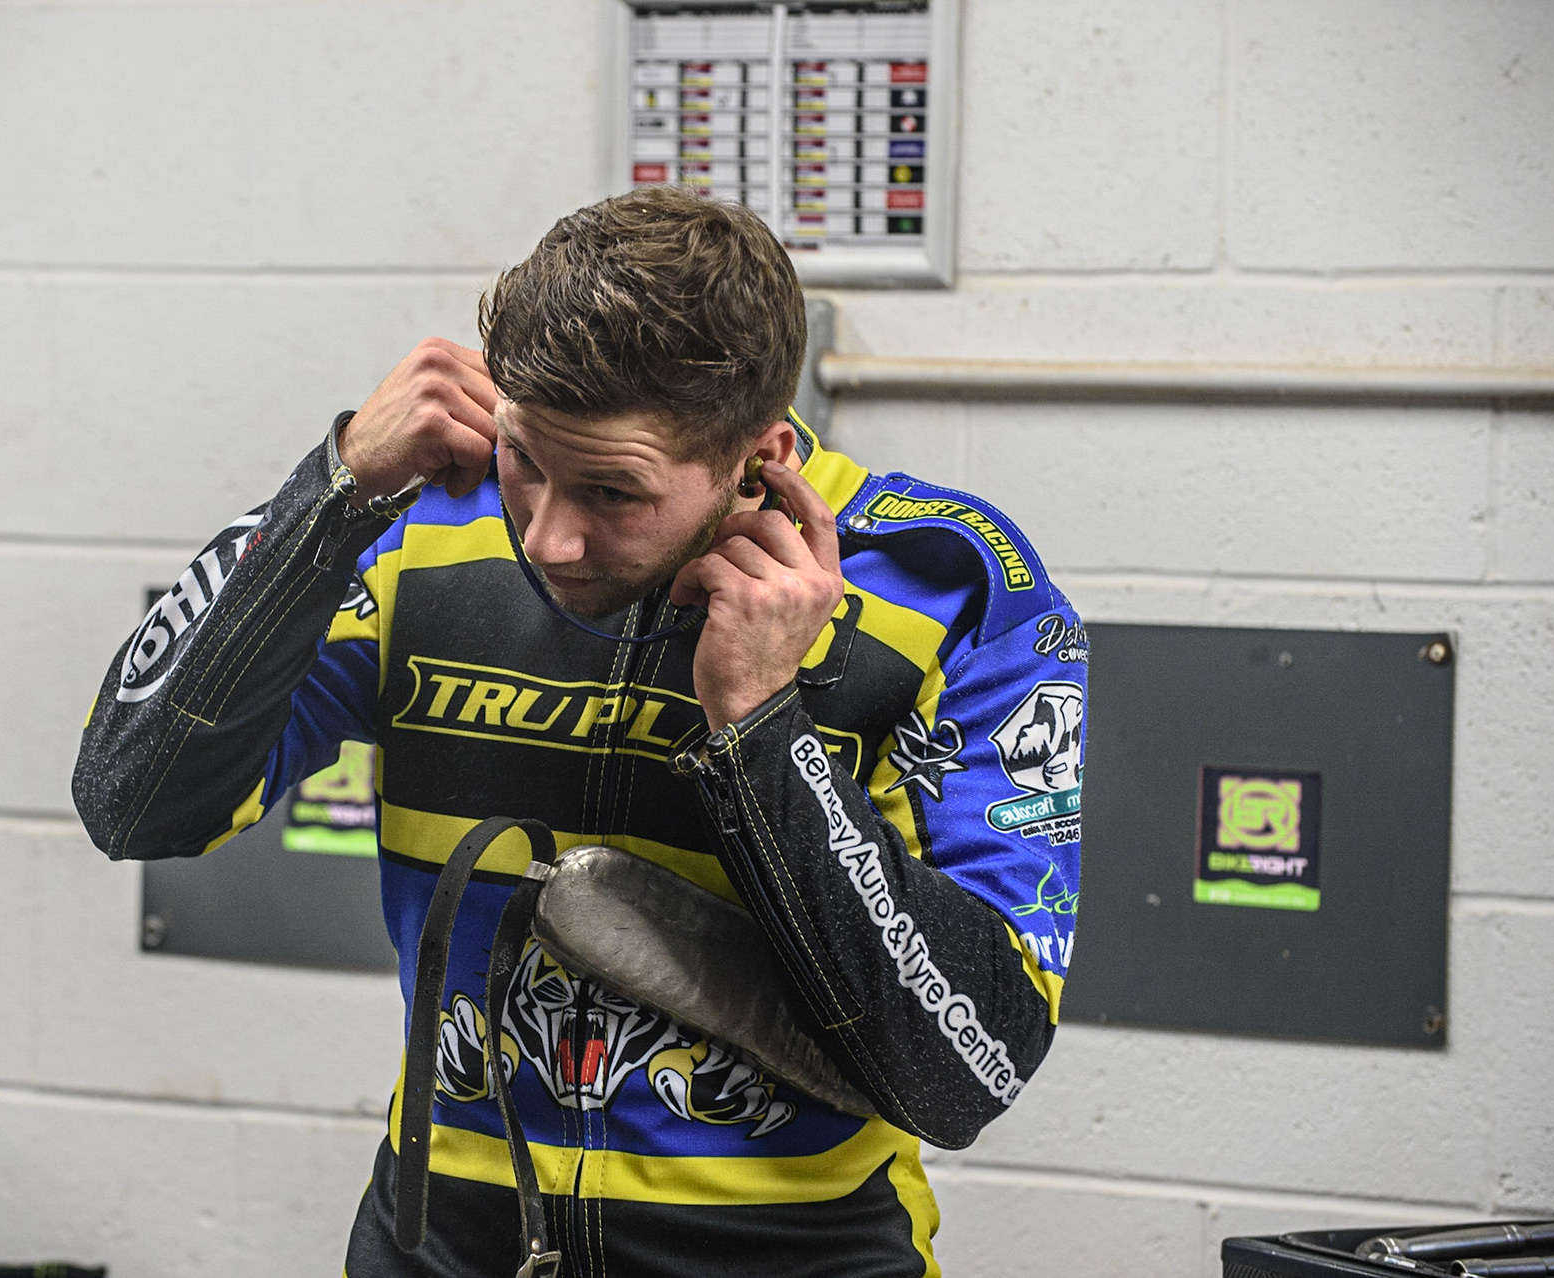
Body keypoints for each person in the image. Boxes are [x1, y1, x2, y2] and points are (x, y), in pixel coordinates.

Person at [73, 186, 1085, 1278]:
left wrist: (762, 730)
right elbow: (133, 802)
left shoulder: (948, 586)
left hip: (791, 1248)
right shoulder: (420, 519)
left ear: (761, 455)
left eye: (613, 491)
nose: (551, 539)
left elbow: (965, 1067)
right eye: (525, 459)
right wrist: (331, 493)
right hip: (449, 1233)